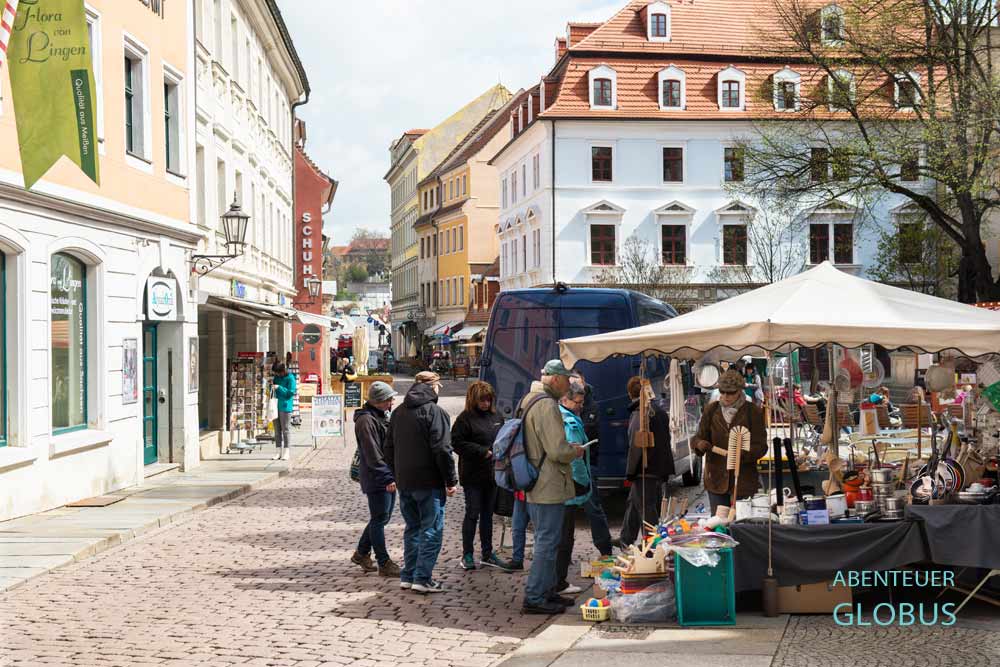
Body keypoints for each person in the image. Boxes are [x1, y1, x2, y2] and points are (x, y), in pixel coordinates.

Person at [517, 360, 585, 615]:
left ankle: (546, 592)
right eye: (567, 380)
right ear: (555, 379)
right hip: (547, 483)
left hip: (536, 480)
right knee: (547, 543)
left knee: (547, 541)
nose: (569, 386)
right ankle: (536, 596)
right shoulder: (546, 405)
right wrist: (574, 451)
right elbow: (557, 449)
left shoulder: (529, 399)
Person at [384, 371, 457, 594]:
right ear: (433, 387)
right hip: (429, 481)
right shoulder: (435, 412)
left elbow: (388, 448)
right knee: (431, 529)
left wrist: (396, 474)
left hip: (406, 481)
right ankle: (422, 578)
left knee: (413, 528)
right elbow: (443, 449)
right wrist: (450, 479)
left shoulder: (398, 412)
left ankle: (409, 575)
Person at [452, 381, 511, 571]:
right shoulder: (464, 419)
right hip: (472, 475)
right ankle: (467, 554)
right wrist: (481, 451)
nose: (485, 403)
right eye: (482, 400)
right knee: (472, 513)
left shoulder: (496, 416)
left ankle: (487, 553)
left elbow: (503, 438)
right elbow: (456, 443)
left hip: (492, 474)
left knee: (487, 515)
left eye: (488, 400)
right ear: (474, 400)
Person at [693, 368, 767, 515]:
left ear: (739, 390)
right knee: (719, 527)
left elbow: (761, 446)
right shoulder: (711, 410)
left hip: (743, 479)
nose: (726, 396)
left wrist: (743, 453)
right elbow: (698, 437)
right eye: (722, 391)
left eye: (731, 392)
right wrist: (699, 444)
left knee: (742, 526)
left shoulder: (752, 411)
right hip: (715, 479)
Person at [617, 376, 674, 547]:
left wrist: (630, 471)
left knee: (646, 509)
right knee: (634, 504)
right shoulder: (660, 411)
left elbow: (636, 447)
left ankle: (651, 547)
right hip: (658, 467)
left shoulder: (640, 414)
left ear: (629, 394)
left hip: (646, 468)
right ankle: (625, 539)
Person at [352, 381, 401, 577]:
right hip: (377, 477)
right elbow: (373, 454)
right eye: (389, 400)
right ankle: (384, 562)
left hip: (384, 474)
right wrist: (387, 477)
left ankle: (362, 553)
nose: (392, 402)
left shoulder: (379, 416)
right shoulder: (366, 421)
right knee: (379, 518)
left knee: (382, 517)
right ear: (379, 401)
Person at [554, 381, 595, 596]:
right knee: (563, 537)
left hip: (565, 485)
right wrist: (582, 482)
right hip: (567, 486)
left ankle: (557, 581)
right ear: (564, 399)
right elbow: (571, 457)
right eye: (576, 402)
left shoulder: (568, 415)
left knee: (562, 536)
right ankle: (558, 582)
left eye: (581, 402)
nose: (580, 406)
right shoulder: (566, 419)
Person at [572, 373, 613, 558]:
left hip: (588, 464)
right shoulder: (564, 404)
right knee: (566, 513)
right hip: (568, 466)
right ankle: (563, 553)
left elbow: (589, 431)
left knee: (593, 507)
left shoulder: (590, 405)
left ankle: (605, 548)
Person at [271, 362, 297, 461]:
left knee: (285, 429)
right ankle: (278, 451)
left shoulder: (290, 378)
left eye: (277, 373)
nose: (276, 375)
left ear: (282, 371)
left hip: (285, 406)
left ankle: (286, 452)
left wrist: (279, 387)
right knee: (277, 431)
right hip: (275, 406)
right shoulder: (276, 378)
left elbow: (290, 392)